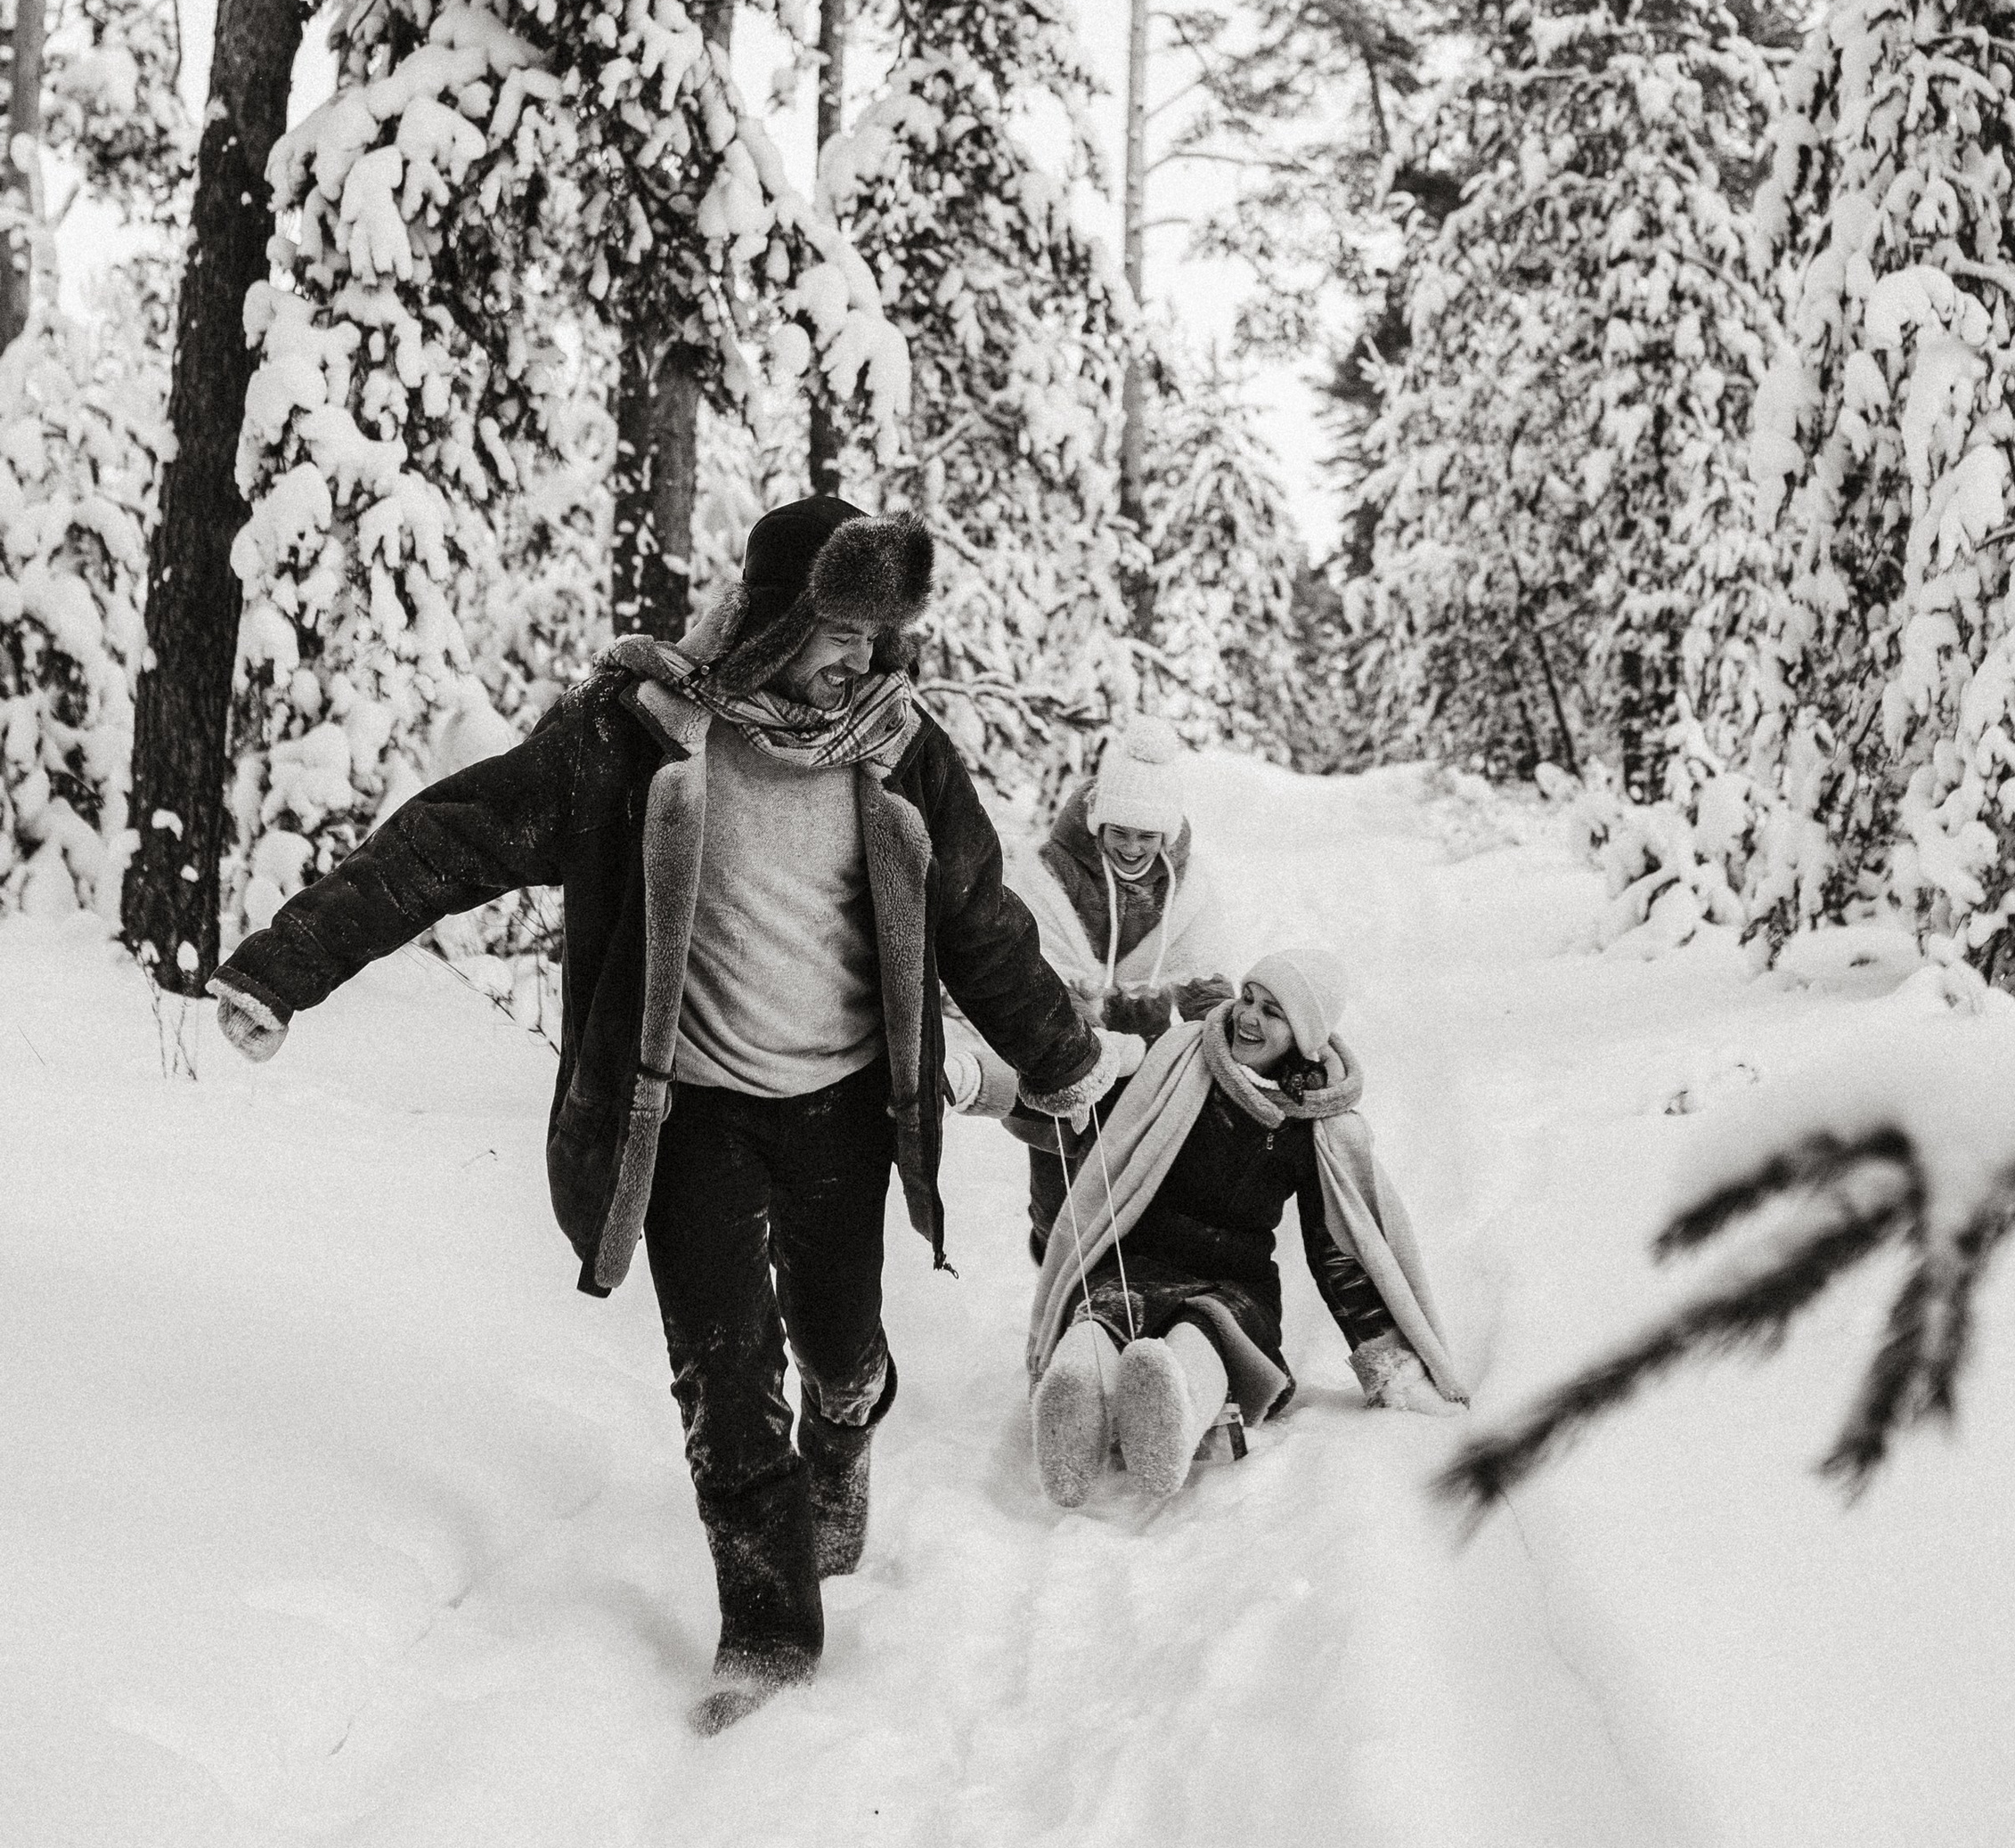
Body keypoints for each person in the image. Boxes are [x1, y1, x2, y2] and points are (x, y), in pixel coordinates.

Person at [208, 494, 1116, 1730]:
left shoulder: (900, 748)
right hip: (687, 1115)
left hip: (843, 1107)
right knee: (723, 1379)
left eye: (880, 632)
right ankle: (769, 1631)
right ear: (772, 619)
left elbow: (979, 921)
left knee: (839, 1357)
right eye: (841, 629)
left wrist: (1060, 1060)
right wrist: (283, 966)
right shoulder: (639, 737)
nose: (866, 655)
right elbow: (455, 840)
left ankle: (845, 1437)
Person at [1024, 948, 1466, 1509]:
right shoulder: (1179, 1059)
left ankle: (1171, 1409)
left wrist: (1389, 1364)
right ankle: (1075, 1399)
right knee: (1102, 1318)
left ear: (1305, 1037)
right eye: (1249, 998)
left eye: (1273, 1012)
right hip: (1136, 1263)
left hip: (1232, 1283)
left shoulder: (1315, 1123)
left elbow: (1341, 1251)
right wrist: (999, 1075)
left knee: (1204, 1336)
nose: (1249, 1017)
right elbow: (1091, 1076)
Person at [986, 715, 1235, 1258]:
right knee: (1058, 1200)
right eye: (1119, 832)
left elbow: (1203, 976)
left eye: (1147, 836)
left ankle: (1111, 1306)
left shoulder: (1184, 886)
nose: (1131, 847)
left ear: (1166, 834)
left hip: (1142, 1063)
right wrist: (1076, 1028)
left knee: (1127, 1191)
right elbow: (1029, 958)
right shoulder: (1054, 871)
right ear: (1099, 824)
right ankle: (1054, 1283)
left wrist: (1227, 1046)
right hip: (1061, 1055)